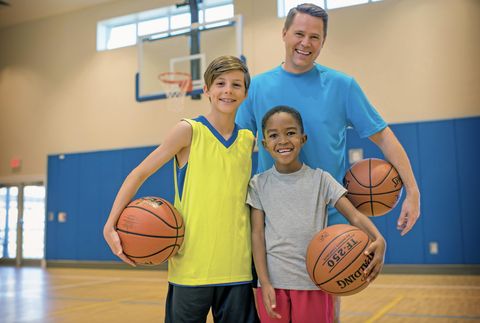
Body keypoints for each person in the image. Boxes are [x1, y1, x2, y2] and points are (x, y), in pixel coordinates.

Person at [235, 3, 420, 321]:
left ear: (323, 42)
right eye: (299, 33)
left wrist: (413, 192)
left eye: (314, 37)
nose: (305, 43)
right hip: (275, 231)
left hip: (329, 229)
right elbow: (234, 149)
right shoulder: (258, 88)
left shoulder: (342, 85)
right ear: (284, 34)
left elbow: (385, 137)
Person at [103, 55, 259, 323]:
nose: (228, 90)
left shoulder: (247, 140)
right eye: (220, 83)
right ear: (206, 90)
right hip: (191, 267)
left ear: (245, 92)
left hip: (238, 268)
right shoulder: (188, 131)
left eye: (236, 84)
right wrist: (110, 224)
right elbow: (138, 174)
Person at [247, 106, 386, 323]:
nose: (283, 140)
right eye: (273, 135)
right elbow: (256, 235)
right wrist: (263, 282)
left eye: (290, 133)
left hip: (315, 282)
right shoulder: (258, 184)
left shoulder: (321, 179)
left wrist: (379, 238)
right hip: (274, 285)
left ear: (303, 139)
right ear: (264, 145)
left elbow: (354, 216)